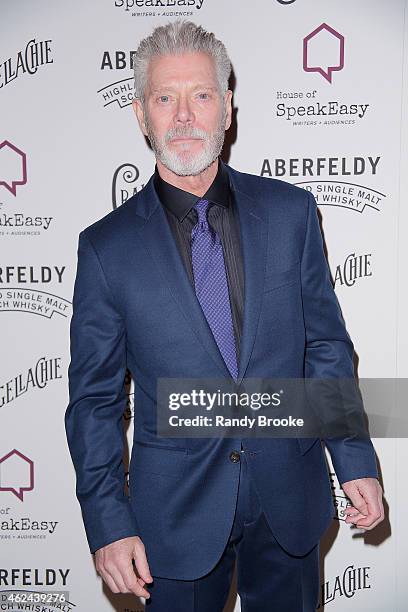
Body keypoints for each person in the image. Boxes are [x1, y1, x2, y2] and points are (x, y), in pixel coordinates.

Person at [65, 20, 384, 611]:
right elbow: (95, 402)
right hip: (172, 518)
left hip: (290, 499)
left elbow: (325, 350)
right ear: (141, 114)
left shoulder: (291, 214)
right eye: (166, 98)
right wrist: (108, 520)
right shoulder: (106, 249)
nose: (184, 115)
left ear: (228, 107)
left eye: (201, 95)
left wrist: (355, 458)